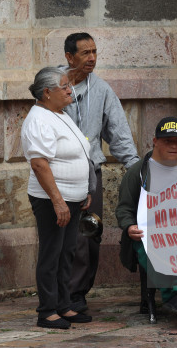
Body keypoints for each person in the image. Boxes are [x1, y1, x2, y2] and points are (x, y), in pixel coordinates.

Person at [62, 32, 140, 313]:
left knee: (88, 232)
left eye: (94, 52)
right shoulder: (51, 85)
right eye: (85, 53)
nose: (92, 58)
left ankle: (76, 294)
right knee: (57, 235)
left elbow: (118, 134)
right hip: (56, 173)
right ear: (69, 57)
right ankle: (56, 294)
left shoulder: (103, 90)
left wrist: (136, 168)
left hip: (89, 173)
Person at [115, 117, 177, 317]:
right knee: (152, 247)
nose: (174, 145)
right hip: (147, 232)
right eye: (168, 140)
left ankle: (176, 298)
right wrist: (129, 226)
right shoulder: (138, 172)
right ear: (155, 141)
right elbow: (124, 208)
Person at [21, 66, 94, 329]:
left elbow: (76, 153)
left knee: (67, 253)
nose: (69, 89)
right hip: (52, 200)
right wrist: (58, 201)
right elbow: (40, 164)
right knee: (52, 253)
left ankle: (64, 305)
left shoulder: (59, 113)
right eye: (63, 86)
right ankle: (47, 310)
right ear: (47, 92)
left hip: (72, 198)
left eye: (68, 85)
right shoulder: (38, 119)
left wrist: (83, 190)